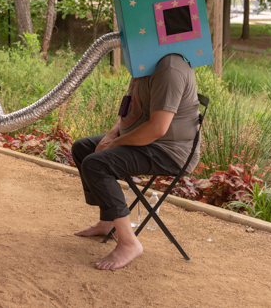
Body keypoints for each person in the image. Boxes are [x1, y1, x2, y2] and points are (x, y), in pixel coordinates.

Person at [72, 53, 200, 270]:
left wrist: (114, 145)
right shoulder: (148, 60)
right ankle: (108, 222)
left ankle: (129, 243)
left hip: (169, 151)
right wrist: (110, 136)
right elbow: (128, 111)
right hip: (146, 141)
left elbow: (157, 129)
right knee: (83, 149)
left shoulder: (170, 68)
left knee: (96, 164)